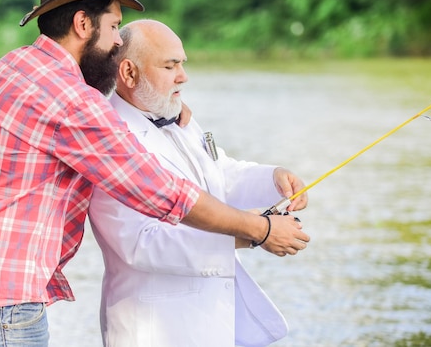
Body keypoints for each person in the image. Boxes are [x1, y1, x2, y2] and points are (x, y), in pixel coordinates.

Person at [0, 0, 309, 346]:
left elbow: (209, 172)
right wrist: (258, 230)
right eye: (113, 26)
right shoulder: (70, 100)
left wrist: (259, 175)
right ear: (83, 24)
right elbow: (162, 191)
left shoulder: (13, 67)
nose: (116, 42)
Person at [88, 19, 305, 347]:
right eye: (170, 65)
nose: (183, 76)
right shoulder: (111, 141)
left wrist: (273, 179)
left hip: (211, 323)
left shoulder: (176, 114)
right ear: (129, 73)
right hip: (154, 330)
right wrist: (255, 235)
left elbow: (219, 177)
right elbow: (142, 244)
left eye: (182, 64)